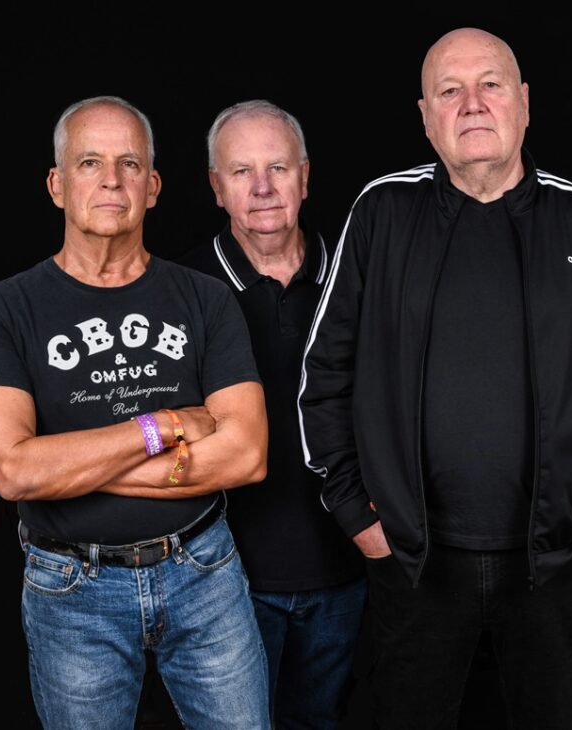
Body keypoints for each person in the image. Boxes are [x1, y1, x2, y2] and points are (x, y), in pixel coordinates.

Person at [298, 27, 572, 729]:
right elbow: (323, 374)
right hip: (413, 562)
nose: (471, 103)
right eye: (448, 90)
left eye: (490, 84)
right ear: (425, 116)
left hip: (550, 562)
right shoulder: (381, 212)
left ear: (524, 102)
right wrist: (357, 518)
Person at [0, 96, 271, 729]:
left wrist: (70, 466)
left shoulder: (206, 299)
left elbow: (246, 456)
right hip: (71, 588)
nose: (111, 180)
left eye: (129, 163)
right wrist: (166, 426)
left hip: (204, 571)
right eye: (90, 163)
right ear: (57, 185)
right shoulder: (2, 310)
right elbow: (14, 473)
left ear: (152, 187)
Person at [180, 100, 365, 729]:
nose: (262, 188)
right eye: (242, 172)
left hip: (346, 571)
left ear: (305, 177)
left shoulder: (357, 275)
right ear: (216, 187)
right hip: (223, 583)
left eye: (278, 168)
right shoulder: (182, 289)